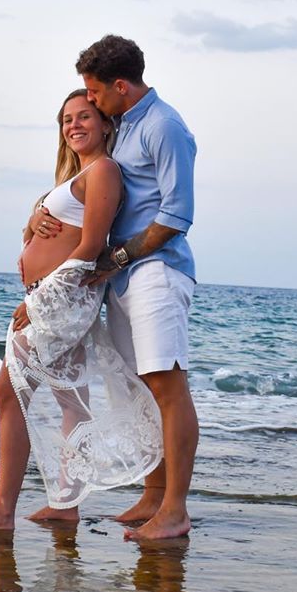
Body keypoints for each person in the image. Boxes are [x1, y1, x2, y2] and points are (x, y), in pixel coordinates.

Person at [0, 90, 163, 531]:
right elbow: (53, 232)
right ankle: (65, 504)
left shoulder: (103, 170)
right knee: (72, 401)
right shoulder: (77, 175)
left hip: (60, 300)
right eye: (67, 119)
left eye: (84, 116)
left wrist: (38, 300)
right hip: (55, 297)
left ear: (105, 124)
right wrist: (33, 222)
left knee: (9, 392)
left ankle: (2, 512)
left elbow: (90, 246)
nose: (73, 126)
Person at [76, 34, 199, 541]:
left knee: (167, 386)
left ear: (121, 86)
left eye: (95, 91)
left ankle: (175, 510)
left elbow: (177, 215)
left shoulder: (164, 126)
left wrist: (118, 257)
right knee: (139, 389)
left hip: (157, 272)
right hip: (124, 278)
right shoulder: (122, 126)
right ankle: (153, 495)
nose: (91, 100)